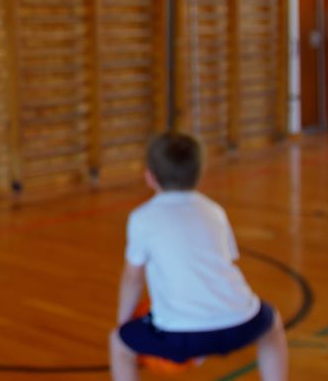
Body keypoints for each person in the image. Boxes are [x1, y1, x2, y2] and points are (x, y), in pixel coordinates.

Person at [108, 132, 288, 381]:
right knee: (272, 326)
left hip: (181, 336)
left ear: (149, 177)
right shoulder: (214, 212)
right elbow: (221, 266)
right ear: (200, 173)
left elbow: (132, 278)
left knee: (119, 345)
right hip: (240, 322)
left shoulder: (142, 218)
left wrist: (123, 325)